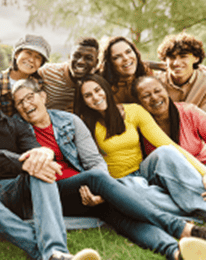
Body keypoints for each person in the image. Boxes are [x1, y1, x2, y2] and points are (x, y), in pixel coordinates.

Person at [12, 78, 206, 260]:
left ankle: (175, 252)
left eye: (30, 97)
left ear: (43, 97)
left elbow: (94, 160)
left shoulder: (69, 121)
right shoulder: (17, 129)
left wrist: (100, 193)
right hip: (55, 190)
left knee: (122, 218)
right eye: (20, 102)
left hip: (88, 189)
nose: (26, 105)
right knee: (96, 177)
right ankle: (181, 228)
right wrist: (99, 183)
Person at [0, 65, 100, 260]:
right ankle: (45, 252)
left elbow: (36, 149)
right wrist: (23, 163)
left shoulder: (17, 125)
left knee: (41, 170)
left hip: (17, 192)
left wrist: (44, 154)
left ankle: (56, 251)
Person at [73, 74, 206, 216]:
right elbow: (89, 163)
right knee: (140, 190)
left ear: (105, 88)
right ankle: (192, 211)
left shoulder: (134, 111)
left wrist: (204, 172)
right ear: (83, 101)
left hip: (143, 171)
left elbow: (168, 143)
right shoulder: (83, 124)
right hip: (118, 182)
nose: (95, 97)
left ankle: (201, 204)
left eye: (98, 90)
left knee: (166, 152)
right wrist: (106, 192)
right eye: (88, 95)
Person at [132, 75, 206, 164]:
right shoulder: (136, 126)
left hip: (201, 168)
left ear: (166, 91)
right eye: (146, 96)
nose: (154, 98)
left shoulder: (189, 112)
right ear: (138, 102)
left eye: (157, 91)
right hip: (164, 174)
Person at [38, 37, 99, 112]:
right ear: (69, 57)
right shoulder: (47, 72)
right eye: (76, 56)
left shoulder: (97, 83)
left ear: (96, 63)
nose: (81, 62)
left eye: (88, 58)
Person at [0, 34, 50, 116]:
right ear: (16, 54)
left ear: (41, 64)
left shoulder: (39, 84)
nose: (31, 60)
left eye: (37, 57)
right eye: (28, 53)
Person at [155, 32, 206, 112]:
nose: (176, 63)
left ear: (196, 58)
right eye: (172, 57)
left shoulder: (204, 82)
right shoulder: (156, 82)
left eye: (183, 57)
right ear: (165, 60)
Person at [100, 36, 150, 104]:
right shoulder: (103, 88)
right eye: (117, 57)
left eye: (128, 52)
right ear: (110, 63)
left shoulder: (149, 75)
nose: (126, 58)